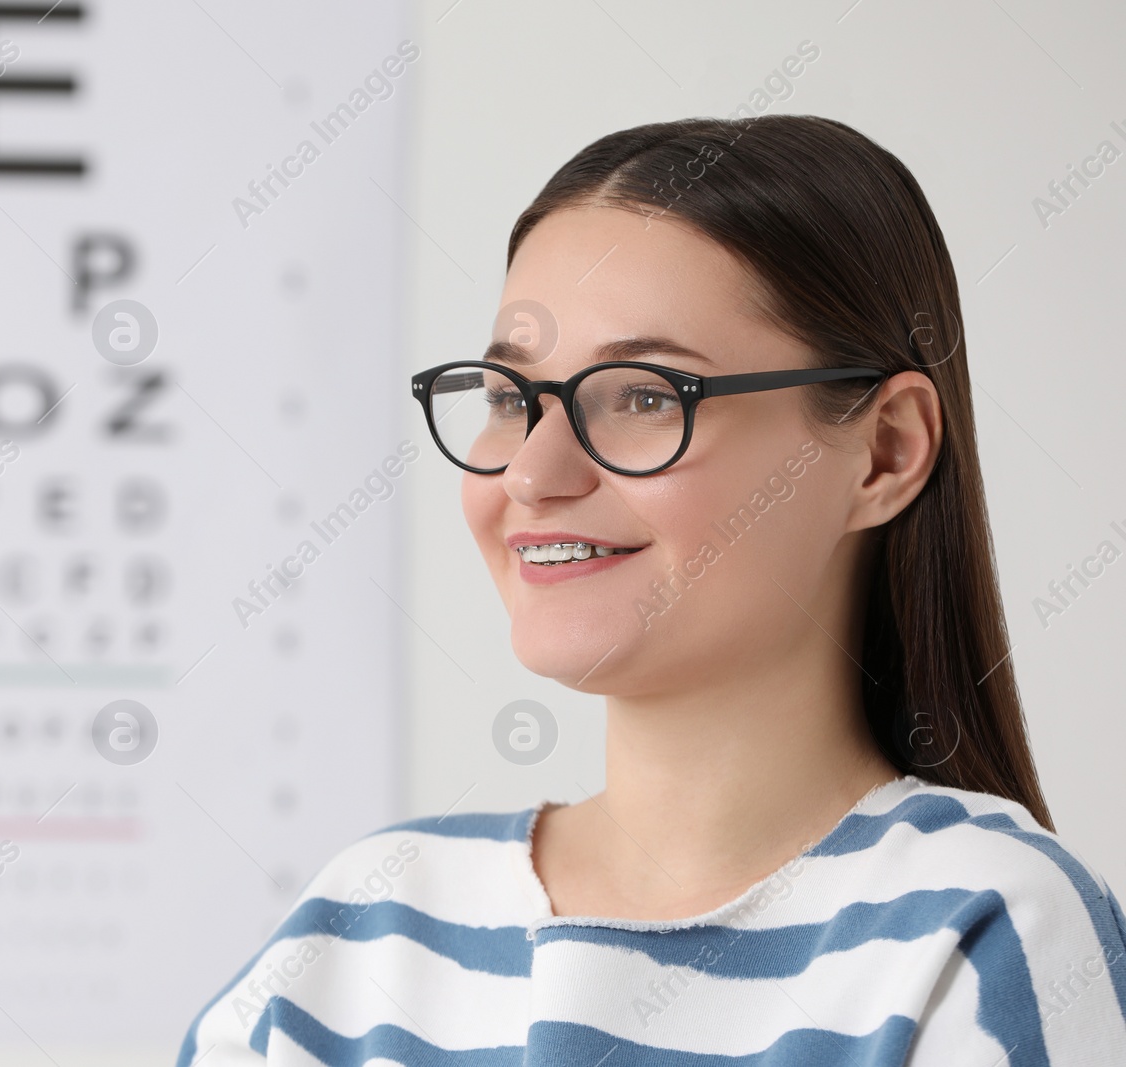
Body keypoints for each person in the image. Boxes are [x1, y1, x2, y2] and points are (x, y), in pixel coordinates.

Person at [177, 115, 1126, 1064]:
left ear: (884, 452)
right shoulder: (361, 932)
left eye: (643, 395)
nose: (533, 474)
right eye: (512, 398)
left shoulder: (986, 934)